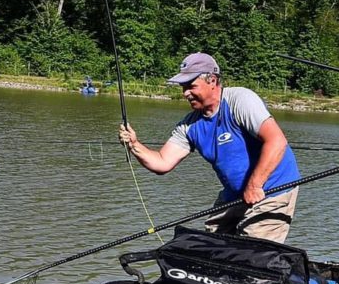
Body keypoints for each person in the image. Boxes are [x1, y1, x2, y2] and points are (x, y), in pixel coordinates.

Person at [118, 52, 300, 243]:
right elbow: (162, 163)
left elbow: (277, 141)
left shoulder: (240, 100)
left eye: (191, 86)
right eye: (183, 87)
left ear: (212, 80)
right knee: (211, 243)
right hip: (236, 193)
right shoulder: (189, 125)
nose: (185, 93)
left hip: (273, 189)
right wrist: (134, 144)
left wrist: (255, 185)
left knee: (253, 252)